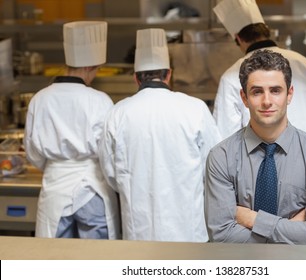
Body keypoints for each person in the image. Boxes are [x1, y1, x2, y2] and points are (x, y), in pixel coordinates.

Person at [99, 28, 221, 242]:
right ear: (169, 74)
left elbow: (110, 172)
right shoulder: (195, 108)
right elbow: (213, 164)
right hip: (187, 226)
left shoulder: (118, 112)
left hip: (139, 227)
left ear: (136, 78)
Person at [204, 49, 306, 244]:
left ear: (289, 94)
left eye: (275, 90)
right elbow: (222, 236)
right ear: (244, 98)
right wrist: (292, 227)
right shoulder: (221, 157)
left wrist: (252, 219)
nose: (267, 101)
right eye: (257, 92)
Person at [24, 21, 120, 239]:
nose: (95, 74)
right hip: (93, 188)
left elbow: (32, 152)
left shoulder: (40, 99)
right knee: (97, 262)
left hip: (55, 187)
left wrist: (56, 165)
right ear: (88, 67)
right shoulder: (100, 100)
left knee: (55, 262)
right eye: (95, 69)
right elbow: (108, 151)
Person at [212, 0, 306, 141]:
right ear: (267, 31)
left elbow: (226, 135)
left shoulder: (232, 75)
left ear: (238, 39)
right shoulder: (303, 62)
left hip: (261, 161)